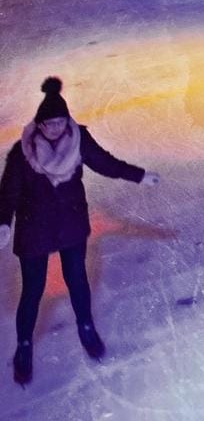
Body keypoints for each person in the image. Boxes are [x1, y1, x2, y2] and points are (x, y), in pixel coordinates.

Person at [0, 78, 151, 387]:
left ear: (66, 121)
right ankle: (24, 347)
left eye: (58, 123)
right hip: (35, 226)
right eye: (48, 124)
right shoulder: (22, 151)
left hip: (69, 222)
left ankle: (86, 326)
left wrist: (139, 175)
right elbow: (9, 192)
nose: (53, 129)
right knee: (32, 290)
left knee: (77, 279)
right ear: (39, 125)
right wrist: (3, 222)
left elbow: (104, 163)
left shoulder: (79, 139)